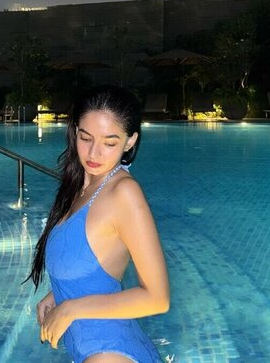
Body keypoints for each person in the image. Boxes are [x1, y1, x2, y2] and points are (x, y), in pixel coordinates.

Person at [27, 85, 170, 362]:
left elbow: (158, 298)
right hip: (90, 345)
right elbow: (90, 260)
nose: (94, 153)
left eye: (110, 142)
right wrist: (59, 293)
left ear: (129, 141)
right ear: (74, 131)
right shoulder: (82, 185)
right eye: (85, 137)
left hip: (110, 353)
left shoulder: (123, 194)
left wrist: (71, 308)